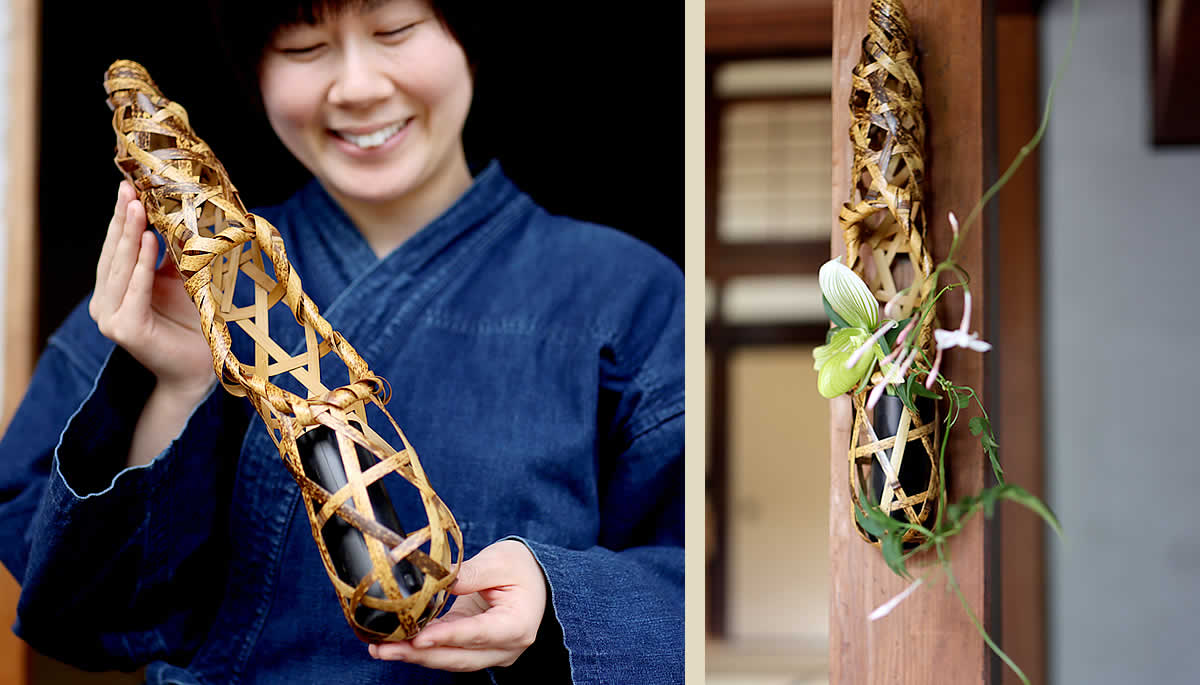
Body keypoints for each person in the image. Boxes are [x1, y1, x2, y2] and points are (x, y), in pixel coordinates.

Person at [0, 1, 684, 682]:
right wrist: (176, 391)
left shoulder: (626, 293)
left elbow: (696, 583)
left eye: (395, 31)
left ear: (468, 39)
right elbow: (68, 601)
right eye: (304, 47)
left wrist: (556, 595)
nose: (357, 86)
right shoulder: (189, 275)